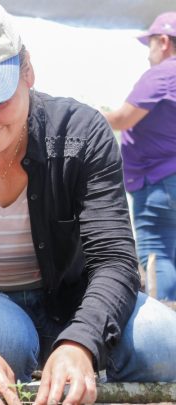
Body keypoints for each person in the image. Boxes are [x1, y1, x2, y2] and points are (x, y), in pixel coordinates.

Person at [0, 1, 176, 404]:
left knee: (161, 340)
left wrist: (81, 342)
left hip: (75, 297)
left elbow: (113, 258)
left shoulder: (81, 133)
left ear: (27, 70)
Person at [103, 11, 176, 300]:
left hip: (158, 180)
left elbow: (123, 119)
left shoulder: (163, 73)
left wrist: (87, 116)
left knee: (157, 253)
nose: (149, 54)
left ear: (163, 41)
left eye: (151, 46)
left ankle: (165, 329)